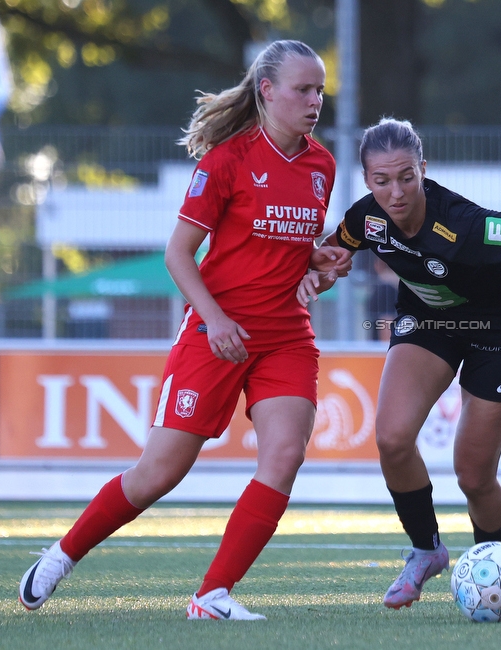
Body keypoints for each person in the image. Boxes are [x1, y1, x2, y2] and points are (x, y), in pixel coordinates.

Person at [18, 40, 350, 621]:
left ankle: (211, 595)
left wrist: (319, 266)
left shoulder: (323, 164)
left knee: (284, 456)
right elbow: (178, 255)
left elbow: (288, 257)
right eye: (303, 89)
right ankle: (62, 555)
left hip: (286, 338)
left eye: (320, 90)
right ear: (267, 91)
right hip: (214, 335)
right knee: (157, 475)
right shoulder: (226, 160)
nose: (315, 101)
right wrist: (216, 319)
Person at [298, 118, 501, 610]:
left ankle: (496, 572)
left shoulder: (463, 224)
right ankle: (426, 551)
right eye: (381, 181)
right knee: (392, 439)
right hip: (429, 320)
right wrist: (327, 269)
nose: (395, 192)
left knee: (473, 475)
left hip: (498, 331)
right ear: (366, 180)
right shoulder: (366, 219)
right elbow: (338, 253)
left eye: (406, 177)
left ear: (423, 169)